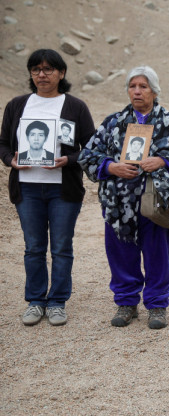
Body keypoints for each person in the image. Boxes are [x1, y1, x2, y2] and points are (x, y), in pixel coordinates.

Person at [78, 66, 169, 330]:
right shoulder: (113, 122)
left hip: (156, 202)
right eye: (133, 86)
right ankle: (126, 302)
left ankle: (157, 305)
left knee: (158, 253)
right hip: (119, 203)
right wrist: (110, 167)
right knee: (120, 252)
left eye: (143, 86)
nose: (137, 91)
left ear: (154, 90)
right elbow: (88, 156)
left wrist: (162, 160)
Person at [0, 49, 95, 326]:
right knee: (33, 247)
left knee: (62, 247)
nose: (42, 74)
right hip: (27, 189)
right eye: (36, 69)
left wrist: (69, 159)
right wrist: (10, 160)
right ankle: (35, 301)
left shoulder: (75, 106)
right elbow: (3, 143)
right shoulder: (17, 105)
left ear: (61, 73)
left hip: (62, 190)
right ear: (31, 74)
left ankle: (57, 302)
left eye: (48, 69)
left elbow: (91, 146)